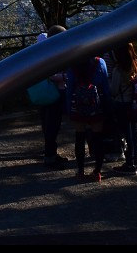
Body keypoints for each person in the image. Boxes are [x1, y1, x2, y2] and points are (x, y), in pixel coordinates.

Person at [66, 54, 111, 182]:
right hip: (96, 106)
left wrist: (69, 109)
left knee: (79, 138)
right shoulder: (100, 62)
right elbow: (105, 86)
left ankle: (80, 171)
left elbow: (69, 89)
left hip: (78, 107)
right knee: (98, 138)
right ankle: (97, 171)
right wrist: (107, 105)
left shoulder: (72, 64)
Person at [32, 25, 68, 169]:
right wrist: (65, 76)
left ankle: (50, 152)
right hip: (54, 92)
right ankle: (50, 156)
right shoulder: (54, 53)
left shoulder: (41, 51)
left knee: (47, 123)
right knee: (53, 124)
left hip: (43, 93)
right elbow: (53, 76)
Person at [109, 41, 137, 175]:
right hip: (132, 103)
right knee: (133, 132)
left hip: (121, 103)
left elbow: (113, 90)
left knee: (126, 134)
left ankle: (129, 164)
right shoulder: (136, 66)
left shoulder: (118, 70)